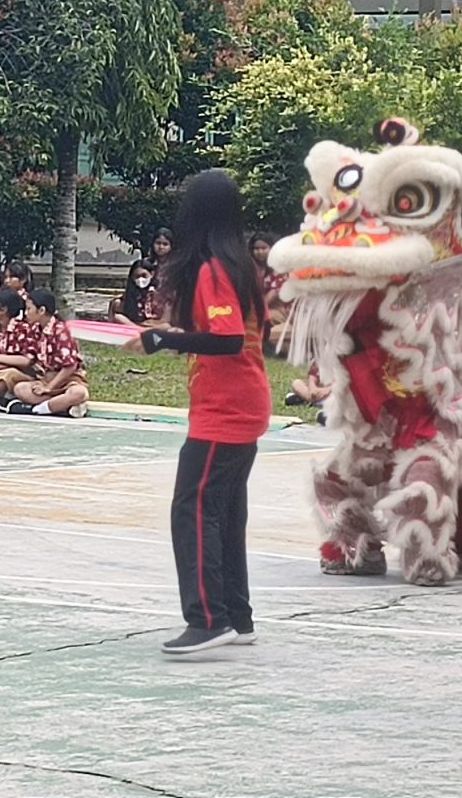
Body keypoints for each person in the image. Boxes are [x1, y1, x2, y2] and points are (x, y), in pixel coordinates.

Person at [136, 170, 270, 656]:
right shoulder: (239, 267)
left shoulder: (215, 269)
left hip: (225, 411)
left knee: (192, 509)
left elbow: (228, 338)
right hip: (243, 404)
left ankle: (207, 618)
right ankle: (237, 614)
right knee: (226, 513)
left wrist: (164, 339)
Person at [7, 287, 89, 417]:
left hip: (68, 380)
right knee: (20, 389)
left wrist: (49, 387)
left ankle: (36, 409)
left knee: (78, 393)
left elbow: (70, 366)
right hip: (46, 378)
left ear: (41, 310)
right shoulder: (35, 330)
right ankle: (62, 407)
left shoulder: (61, 330)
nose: (26, 313)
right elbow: (30, 357)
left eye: (29, 309)